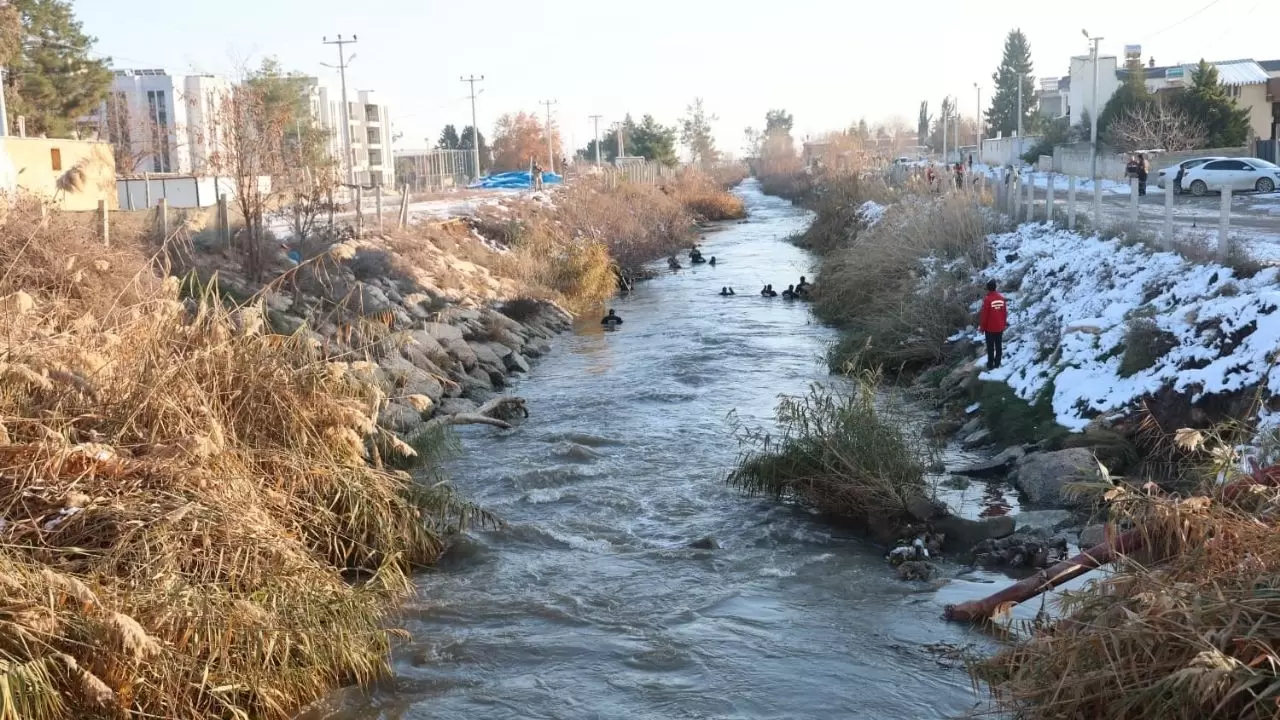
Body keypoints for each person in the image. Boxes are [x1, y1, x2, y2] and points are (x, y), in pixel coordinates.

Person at [978, 280, 1008, 370]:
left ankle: (990, 365)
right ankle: (997, 364)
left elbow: (984, 316)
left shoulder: (987, 300)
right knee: (999, 346)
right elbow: (1004, 313)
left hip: (990, 328)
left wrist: (982, 328)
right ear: (995, 287)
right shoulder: (1002, 298)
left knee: (990, 347)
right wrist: (1003, 324)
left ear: (988, 288)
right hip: (999, 327)